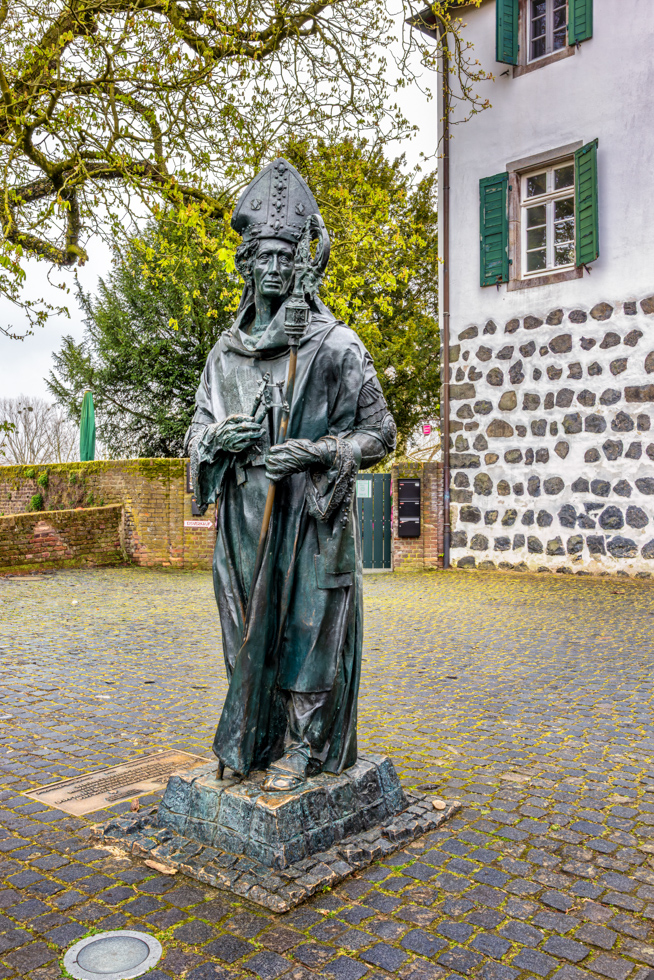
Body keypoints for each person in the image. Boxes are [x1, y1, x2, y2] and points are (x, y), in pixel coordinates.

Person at [185, 158, 396, 791]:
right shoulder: (224, 355)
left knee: (310, 630)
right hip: (244, 523)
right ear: (248, 266)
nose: (275, 269)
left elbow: (379, 432)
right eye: (265, 259)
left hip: (309, 518)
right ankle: (255, 735)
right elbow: (195, 430)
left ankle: (306, 747)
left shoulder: (334, 345)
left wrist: (316, 452)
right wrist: (218, 440)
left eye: (286, 258)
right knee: (245, 635)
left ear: (301, 265)